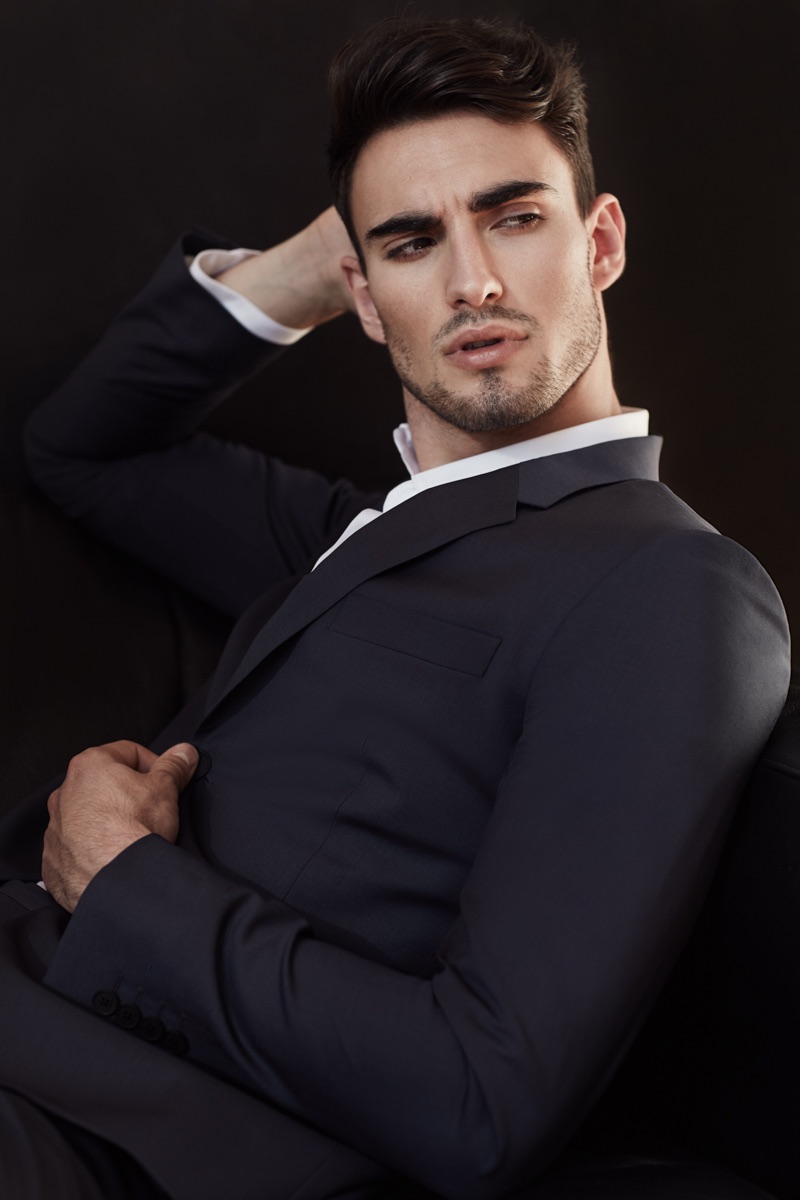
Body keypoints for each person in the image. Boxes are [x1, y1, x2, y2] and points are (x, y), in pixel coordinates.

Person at [0, 15, 790, 1200]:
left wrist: (122, 884)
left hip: (98, 1123)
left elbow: (481, 1099)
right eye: (415, 242)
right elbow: (83, 446)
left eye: (513, 217)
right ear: (363, 299)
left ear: (600, 242)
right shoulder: (355, 531)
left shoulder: (670, 587)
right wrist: (322, 269)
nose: (472, 282)